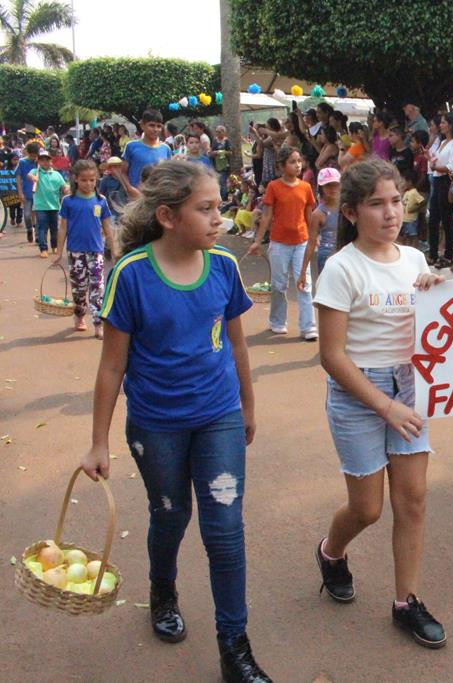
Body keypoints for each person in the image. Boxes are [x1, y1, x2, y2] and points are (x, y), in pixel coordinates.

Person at [81, 160, 270, 683]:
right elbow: (112, 365)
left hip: (219, 417)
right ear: (166, 215)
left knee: (225, 531)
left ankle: (235, 647)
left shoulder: (225, 268)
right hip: (156, 426)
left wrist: (247, 407)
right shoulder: (131, 274)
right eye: (205, 209)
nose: (218, 220)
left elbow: (236, 343)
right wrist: (99, 443)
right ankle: (163, 590)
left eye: (219, 208)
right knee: (170, 516)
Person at [312, 158, 448, 649]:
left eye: (396, 201)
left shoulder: (414, 260)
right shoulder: (341, 268)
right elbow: (331, 356)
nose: (391, 213)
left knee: (412, 501)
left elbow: (435, 329)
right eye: (376, 204)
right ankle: (331, 551)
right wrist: (383, 406)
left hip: (410, 387)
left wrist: (437, 292)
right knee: (367, 509)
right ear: (350, 212)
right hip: (359, 394)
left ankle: (406, 602)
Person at [247, 146, 318, 341]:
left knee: (305, 284)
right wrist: (257, 241)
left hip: (302, 242)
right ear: (282, 166)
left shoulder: (305, 187)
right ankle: (278, 322)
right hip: (279, 243)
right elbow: (267, 215)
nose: (298, 165)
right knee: (279, 285)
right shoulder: (274, 187)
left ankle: (308, 327)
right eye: (293, 162)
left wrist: (313, 237)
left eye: (299, 161)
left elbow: (309, 216)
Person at [51, 159, 115, 337]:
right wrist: (58, 252)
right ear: (76, 179)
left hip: (96, 251)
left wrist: (114, 247)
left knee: (97, 288)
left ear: (97, 180)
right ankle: (79, 315)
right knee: (79, 288)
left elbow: (107, 226)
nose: (89, 183)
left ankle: (98, 323)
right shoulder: (68, 201)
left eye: (92, 180)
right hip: (75, 252)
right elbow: (62, 227)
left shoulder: (101, 200)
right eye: (84, 180)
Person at [426, 111, 453, 268]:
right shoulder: (442, 143)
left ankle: (448, 254)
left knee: (446, 218)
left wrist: (437, 167)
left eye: (443, 123)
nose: (440, 125)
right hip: (437, 179)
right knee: (433, 218)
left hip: (447, 181)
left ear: (451, 125)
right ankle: (433, 253)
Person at [298, 167, 342, 288]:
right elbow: (311, 243)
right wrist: (303, 272)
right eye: (328, 186)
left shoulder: (348, 208)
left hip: (346, 255)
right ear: (321, 188)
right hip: (326, 257)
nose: (332, 189)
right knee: (327, 292)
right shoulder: (318, 214)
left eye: (335, 185)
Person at [28, 148, 69, 257]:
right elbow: (29, 176)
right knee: (42, 228)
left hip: (55, 206)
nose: (45, 162)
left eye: (47, 160)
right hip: (41, 207)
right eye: (42, 160)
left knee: (55, 229)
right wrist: (33, 177)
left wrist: (69, 191)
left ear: (51, 161)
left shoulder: (56, 174)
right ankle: (43, 249)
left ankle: (54, 246)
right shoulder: (36, 172)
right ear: (39, 161)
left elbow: (64, 187)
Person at [123, 109, 172, 188]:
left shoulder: (166, 149)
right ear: (142, 125)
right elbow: (123, 172)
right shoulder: (131, 146)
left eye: (159, 126)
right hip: (136, 196)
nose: (155, 129)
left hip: (158, 196)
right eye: (152, 125)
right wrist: (130, 190)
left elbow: (168, 175)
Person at [15, 140, 39, 243]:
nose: (34, 158)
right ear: (28, 153)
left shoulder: (39, 162)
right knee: (27, 215)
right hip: (26, 192)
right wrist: (20, 192)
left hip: (38, 193)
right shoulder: (22, 162)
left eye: (35, 156)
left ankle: (38, 235)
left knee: (38, 215)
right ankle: (30, 229)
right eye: (32, 155)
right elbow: (18, 178)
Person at [399, 172, 427, 248]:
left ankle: (414, 248)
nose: (402, 184)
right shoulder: (406, 192)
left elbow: (423, 201)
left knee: (413, 235)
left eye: (404, 182)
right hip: (404, 219)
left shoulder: (414, 192)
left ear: (409, 182)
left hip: (411, 220)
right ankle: (407, 248)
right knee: (406, 235)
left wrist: (415, 208)